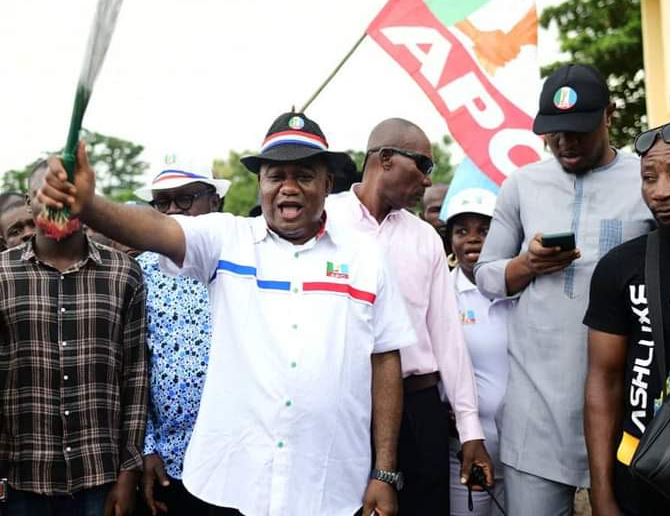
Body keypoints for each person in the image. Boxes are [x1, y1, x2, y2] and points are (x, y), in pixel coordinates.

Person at [38, 112, 417, 516]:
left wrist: (385, 472)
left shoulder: (366, 258)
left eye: (304, 175)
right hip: (230, 485)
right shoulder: (227, 240)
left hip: (329, 488)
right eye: (276, 176)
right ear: (260, 183)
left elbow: (386, 360)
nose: (288, 188)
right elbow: (156, 228)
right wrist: (90, 206)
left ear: (327, 183)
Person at [474, 64, 655, 516]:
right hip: (536, 420)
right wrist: (526, 265)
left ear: (609, 116)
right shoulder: (522, 184)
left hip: (628, 415)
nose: (565, 143)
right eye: (554, 133)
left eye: (578, 131)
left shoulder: (648, 181)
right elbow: (486, 275)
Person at [326, 118, 493, 516]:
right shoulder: (324, 221)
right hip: (341, 406)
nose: (427, 180)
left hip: (419, 412)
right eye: (423, 165)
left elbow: (448, 340)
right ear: (384, 159)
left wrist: (470, 432)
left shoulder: (424, 238)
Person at [584, 120, 670, 516]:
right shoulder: (622, 266)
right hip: (647, 476)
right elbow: (602, 381)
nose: (660, 191)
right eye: (649, 177)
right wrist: (603, 494)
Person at [0, 160, 148, 516]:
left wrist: (129, 471)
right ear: (29, 202)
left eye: (68, 195)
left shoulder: (124, 273)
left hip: (101, 476)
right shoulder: (3, 275)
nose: (57, 204)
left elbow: (136, 377)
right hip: (22, 478)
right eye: (45, 195)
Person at [133, 156, 230, 516]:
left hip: (237, 455)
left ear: (214, 201)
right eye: (162, 201)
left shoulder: (242, 262)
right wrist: (146, 447)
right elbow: (132, 366)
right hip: (170, 462)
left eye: (185, 198)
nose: (173, 210)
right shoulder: (139, 272)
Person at [444, 188, 510, 516]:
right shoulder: (442, 294)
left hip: (525, 455)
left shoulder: (522, 288)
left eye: (484, 230)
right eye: (461, 231)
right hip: (469, 449)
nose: (472, 239)